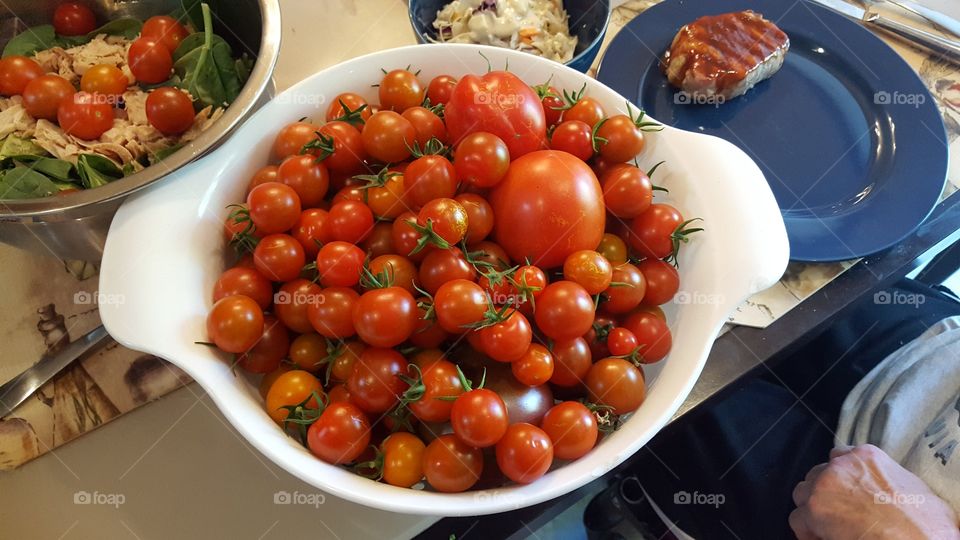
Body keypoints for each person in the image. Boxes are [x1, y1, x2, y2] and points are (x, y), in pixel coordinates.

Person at [598, 279, 960, 539]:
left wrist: (906, 532)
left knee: (647, 392)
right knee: (774, 279)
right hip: (936, 351)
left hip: (860, 522)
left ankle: (636, 508)